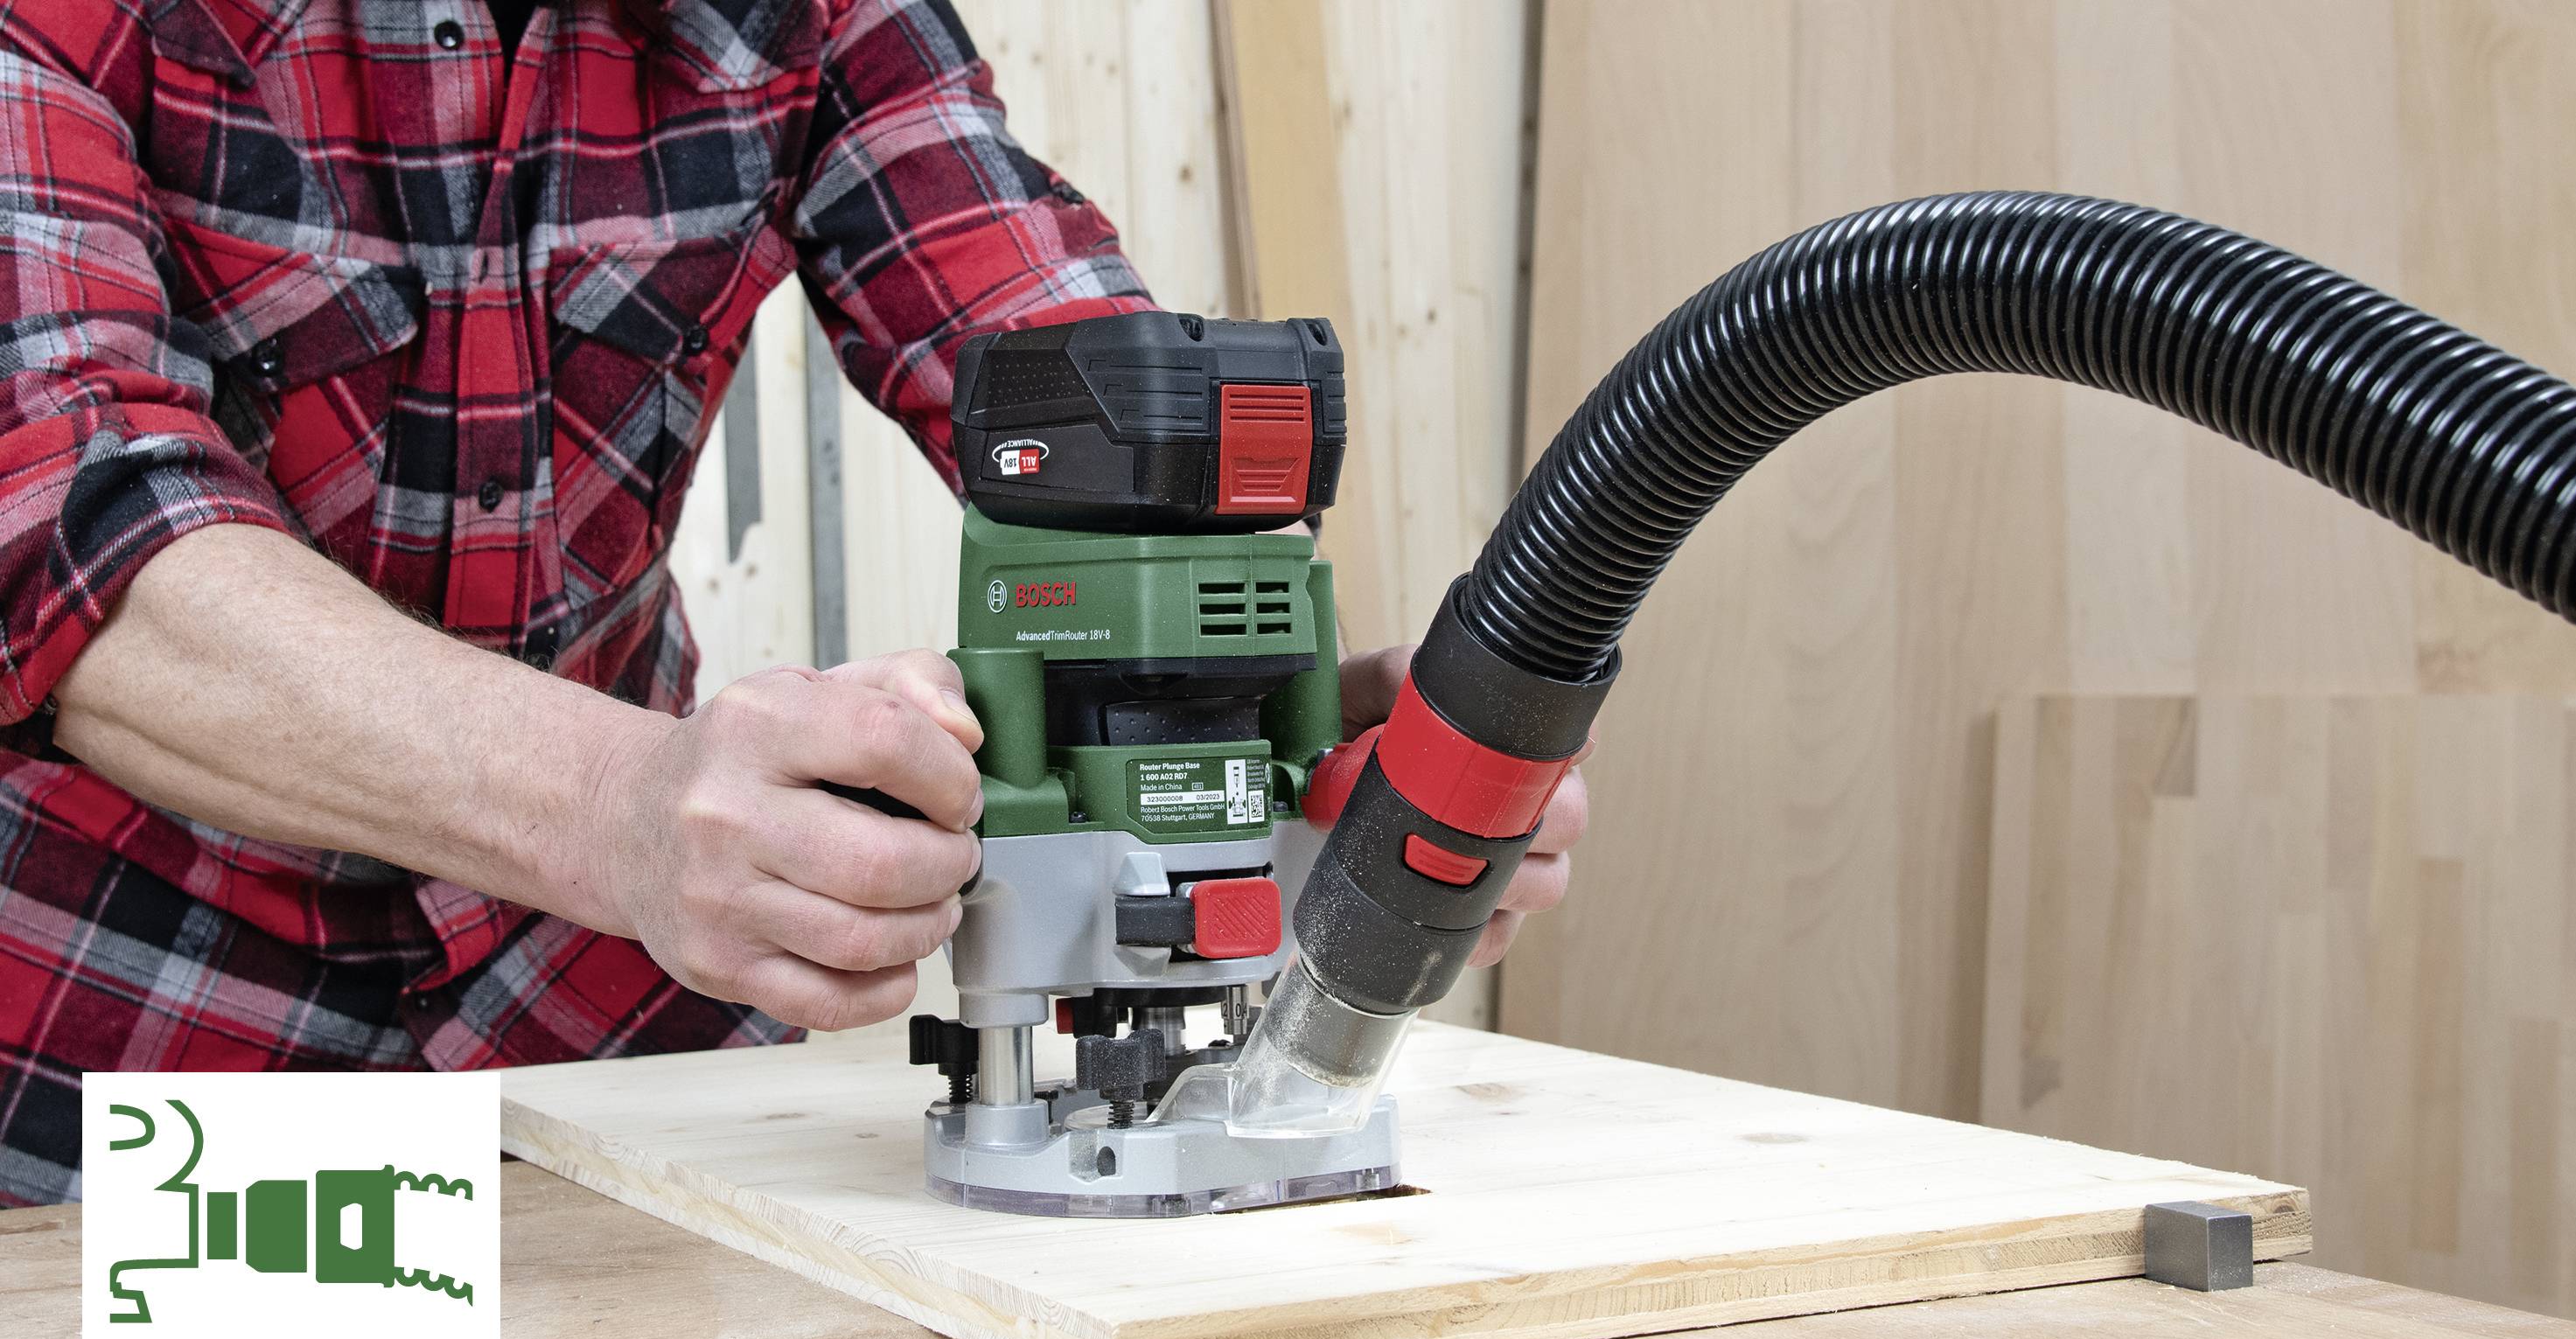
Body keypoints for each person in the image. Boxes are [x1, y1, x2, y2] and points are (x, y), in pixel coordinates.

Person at [0, 0, 1586, 1206]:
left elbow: (1080, 393)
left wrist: (1270, 752)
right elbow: (78, 538)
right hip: (158, 1029)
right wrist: (621, 805)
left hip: (605, 1020)